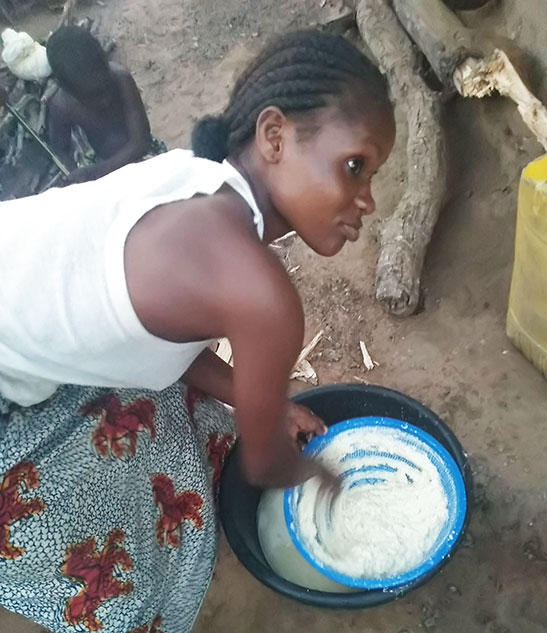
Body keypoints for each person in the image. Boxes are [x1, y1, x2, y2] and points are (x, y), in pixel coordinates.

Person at [0, 29, 395, 633]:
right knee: (113, 587)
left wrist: (261, 402)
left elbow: (161, 334)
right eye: (354, 166)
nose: (367, 200)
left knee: (204, 419)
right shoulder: (263, 297)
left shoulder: (190, 176)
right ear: (274, 136)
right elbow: (266, 468)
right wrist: (333, 475)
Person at [46, 25, 159, 184]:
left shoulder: (121, 79)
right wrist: (75, 175)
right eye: (93, 96)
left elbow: (140, 142)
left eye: (106, 88)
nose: (104, 100)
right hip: (100, 165)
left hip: (141, 157)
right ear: (67, 89)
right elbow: (60, 150)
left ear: (106, 63)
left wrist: (94, 174)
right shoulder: (61, 106)